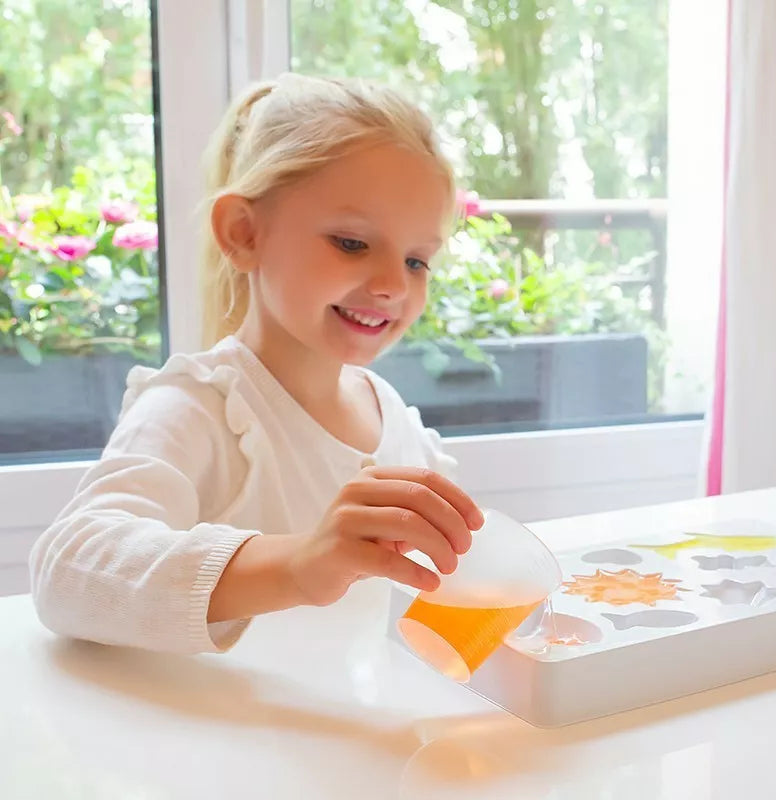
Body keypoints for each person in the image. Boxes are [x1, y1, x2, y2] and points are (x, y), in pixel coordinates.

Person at [28, 73, 484, 655]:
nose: (395, 283)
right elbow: (67, 570)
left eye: (418, 260)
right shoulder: (197, 408)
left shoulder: (393, 417)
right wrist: (296, 564)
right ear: (243, 233)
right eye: (352, 243)